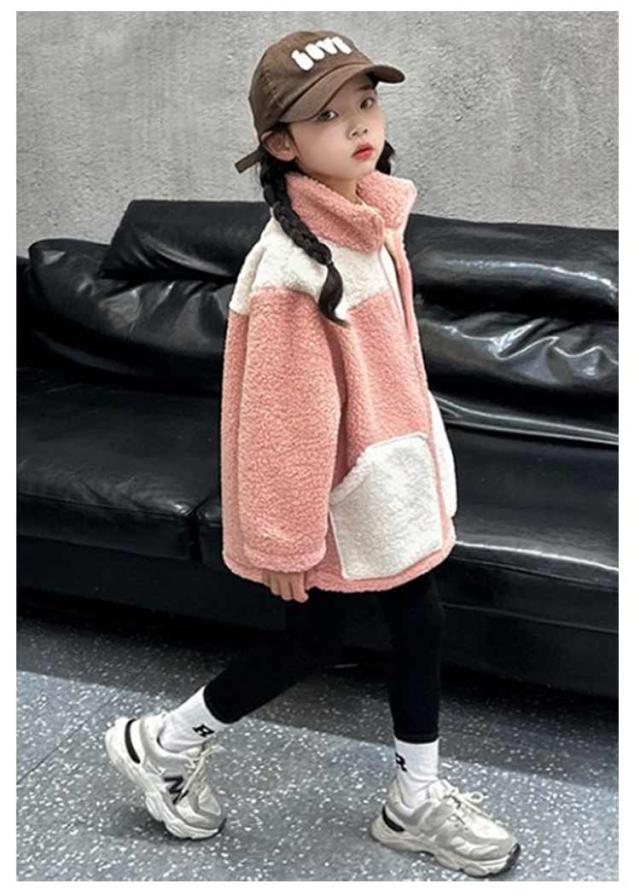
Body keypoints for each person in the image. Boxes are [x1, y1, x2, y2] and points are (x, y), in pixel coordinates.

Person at [104, 29, 520, 878]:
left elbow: (392, 365)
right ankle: (174, 742)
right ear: (283, 144)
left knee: (389, 624)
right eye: (328, 115)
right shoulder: (295, 268)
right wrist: (284, 539)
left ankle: (176, 744)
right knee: (328, 635)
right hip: (340, 496)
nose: (359, 123)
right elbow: (282, 421)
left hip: (386, 478)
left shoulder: (370, 224)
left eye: (365, 102)